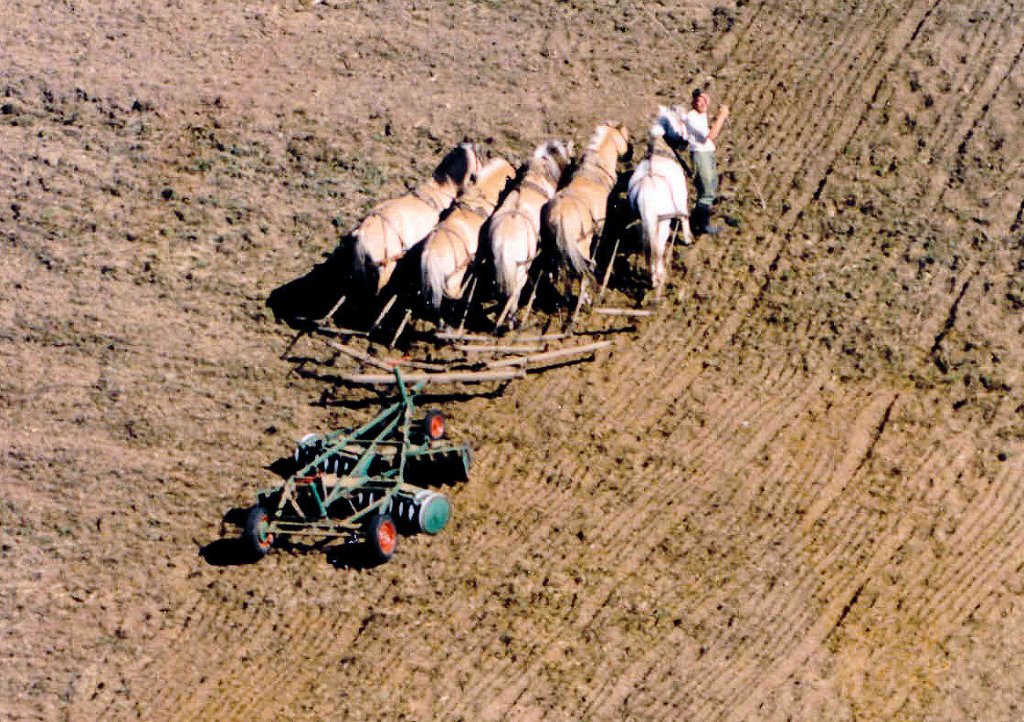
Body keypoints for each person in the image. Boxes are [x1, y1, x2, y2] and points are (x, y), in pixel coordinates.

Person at [680, 88, 729, 235]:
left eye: (705, 99)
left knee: (711, 186)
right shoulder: (692, 117)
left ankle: (696, 219)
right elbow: (711, 135)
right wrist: (722, 117)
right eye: (699, 100)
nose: (703, 103)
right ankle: (702, 225)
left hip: (707, 153)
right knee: (706, 190)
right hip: (701, 155)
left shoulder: (701, 115)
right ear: (694, 102)